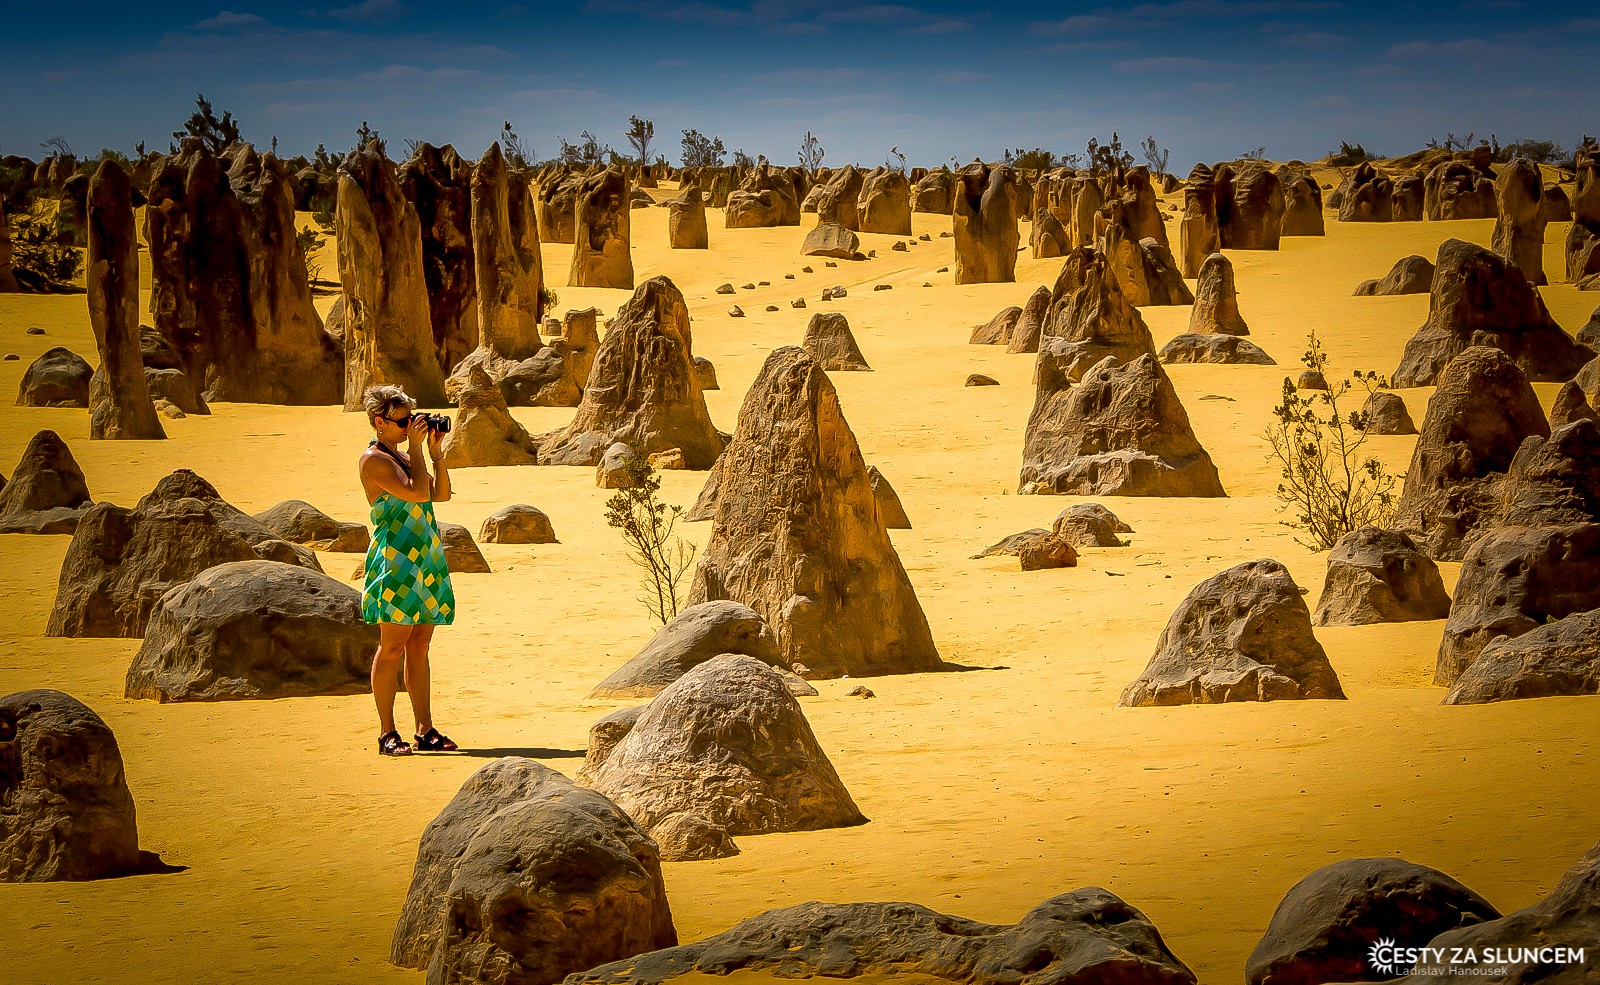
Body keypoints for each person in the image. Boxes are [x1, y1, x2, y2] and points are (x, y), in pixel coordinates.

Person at [359, 384, 457, 757]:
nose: (407, 427)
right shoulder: (374, 460)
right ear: (379, 422)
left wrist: (435, 454)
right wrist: (415, 450)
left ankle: (425, 729)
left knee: (420, 645)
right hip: (396, 561)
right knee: (392, 647)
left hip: (425, 559)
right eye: (402, 422)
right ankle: (387, 733)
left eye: (410, 421)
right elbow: (416, 494)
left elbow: (440, 494)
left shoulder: (402, 458)